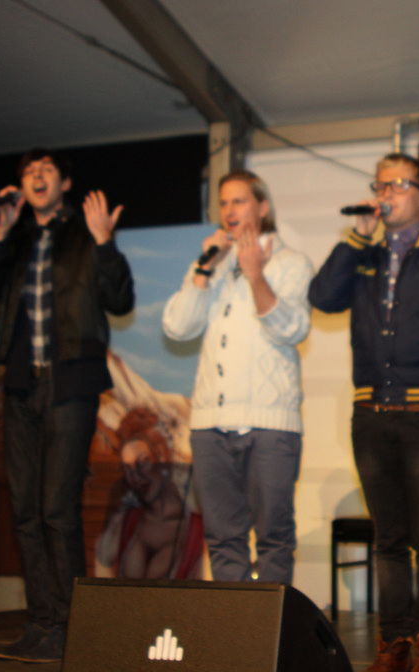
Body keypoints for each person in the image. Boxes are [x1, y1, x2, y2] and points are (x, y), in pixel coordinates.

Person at [309, 153, 419, 672]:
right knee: (388, 539)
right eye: (380, 185)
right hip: (371, 413)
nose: (386, 194)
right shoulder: (366, 252)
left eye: (398, 185)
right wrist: (355, 237)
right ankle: (394, 643)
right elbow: (323, 297)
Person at [0, 148, 134, 663]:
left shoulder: (85, 233)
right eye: (28, 172)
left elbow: (121, 300)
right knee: (24, 510)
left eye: (46, 170)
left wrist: (104, 242)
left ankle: (69, 625)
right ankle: (40, 622)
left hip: (71, 382)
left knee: (56, 509)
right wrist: (0, 231)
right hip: (21, 385)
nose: (36, 177)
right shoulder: (15, 238)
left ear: (64, 183)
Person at [163, 170, 314, 585]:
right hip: (210, 426)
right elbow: (177, 327)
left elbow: (292, 329)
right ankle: (234, 625)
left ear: (262, 207)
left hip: (270, 426)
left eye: (239, 201)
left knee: (274, 538)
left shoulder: (291, 263)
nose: (229, 211)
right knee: (223, 538)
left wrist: (255, 275)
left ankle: (270, 625)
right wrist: (203, 269)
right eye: (224, 203)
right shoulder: (211, 265)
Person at [94, 407, 204, 580]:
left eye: (143, 463)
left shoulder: (197, 527)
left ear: (161, 457)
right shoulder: (124, 523)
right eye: (128, 469)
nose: (136, 477)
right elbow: (101, 575)